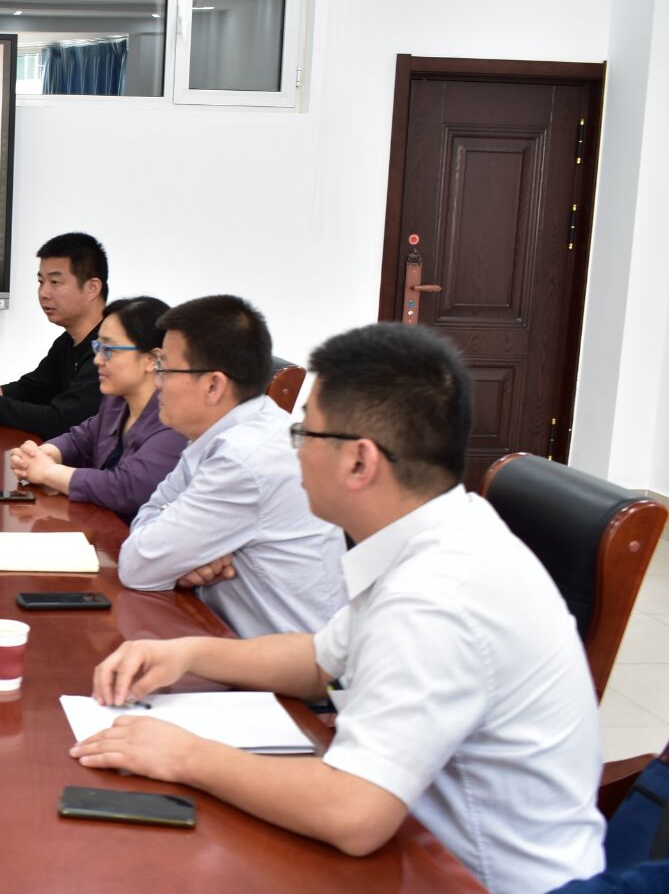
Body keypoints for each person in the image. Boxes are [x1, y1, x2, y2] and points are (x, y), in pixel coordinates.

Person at [74, 322, 604, 894]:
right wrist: (186, 654)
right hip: (416, 843)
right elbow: (319, 659)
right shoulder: (435, 532)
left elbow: (353, 814)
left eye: (305, 433)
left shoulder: (435, 595)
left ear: (359, 462)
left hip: (474, 877)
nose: (293, 450)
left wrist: (184, 755)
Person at [118, 295, 345, 637]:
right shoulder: (219, 435)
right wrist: (179, 561)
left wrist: (170, 557)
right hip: (221, 631)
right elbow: (146, 521)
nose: (156, 382)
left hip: (286, 662)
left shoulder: (244, 459)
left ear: (213, 385)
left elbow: (137, 565)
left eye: (164, 368)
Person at [7, 296, 188, 520]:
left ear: (152, 358)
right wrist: (41, 454)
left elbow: (127, 488)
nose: (98, 360)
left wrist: (48, 472)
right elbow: (81, 439)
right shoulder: (116, 402)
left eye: (109, 349)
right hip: (102, 525)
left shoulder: (176, 418)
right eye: (98, 347)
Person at [0, 232, 107, 438]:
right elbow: (32, 389)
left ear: (92, 288)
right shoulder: (67, 342)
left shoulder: (110, 348)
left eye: (55, 282)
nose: (43, 293)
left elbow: (64, 421)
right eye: (41, 282)